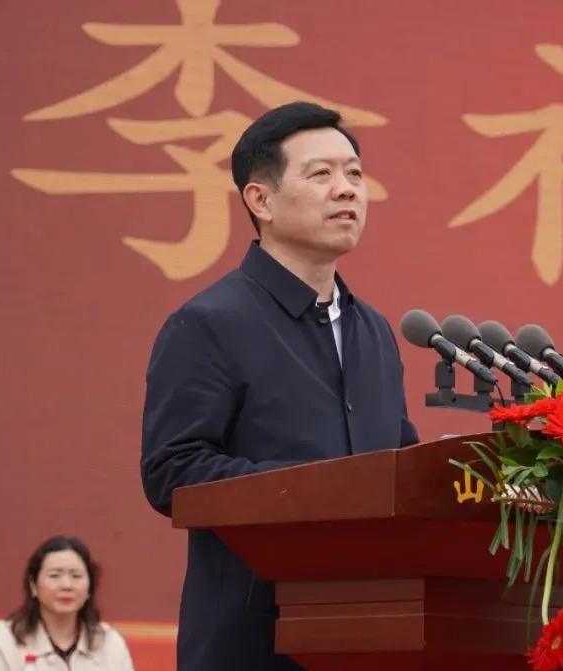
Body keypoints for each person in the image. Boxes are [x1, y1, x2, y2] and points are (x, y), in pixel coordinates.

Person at [140, 101, 419, 671]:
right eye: (321, 174)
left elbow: (399, 465)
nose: (346, 189)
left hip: (370, 636)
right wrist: (317, 490)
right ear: (260, 201)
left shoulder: (374, 332)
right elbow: (173, 470)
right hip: (252, 641)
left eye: (355, 174)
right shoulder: (209, 324)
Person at [0, 535, 135, 670]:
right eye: (54, 575)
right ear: (33, 585)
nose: (66, 585)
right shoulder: (6, 640)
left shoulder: (108, 642)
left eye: (76, 576)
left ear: (89, 588)